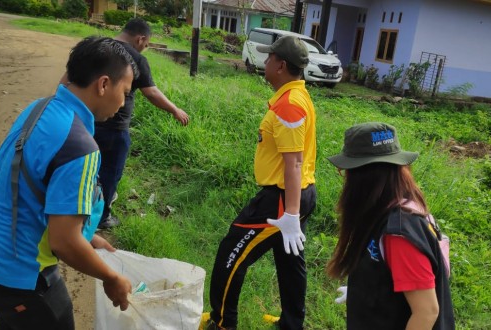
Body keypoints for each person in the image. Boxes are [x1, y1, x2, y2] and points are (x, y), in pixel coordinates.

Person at [0, 36, 137, 330]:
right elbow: (64, 242)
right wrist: (111, 278)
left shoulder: (39, 108)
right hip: (12, 275)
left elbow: (29, 188)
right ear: (103, 84)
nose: (124, 102)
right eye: (126, 92)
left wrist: (88, 237)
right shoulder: (80, 147)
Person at [203, 36, 317, 330]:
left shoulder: (290, 105)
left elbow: (293, 162)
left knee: (232, 254)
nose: (265, 63)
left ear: (280, 65)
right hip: (298, 193)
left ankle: (222, 323)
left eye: (269, 59)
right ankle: (292, 324)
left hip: (282, 198)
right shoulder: (297, 96)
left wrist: (290, 215)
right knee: (290, 261)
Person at [326, 122, 454, 329]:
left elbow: (427, 312)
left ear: (364, 176)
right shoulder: (386, 212)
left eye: (346, 171)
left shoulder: (399, 233)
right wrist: (364, 291)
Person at [93, 18, 189, 229]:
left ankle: (80, 208)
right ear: (140, 38)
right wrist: (175, 109)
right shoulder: (136, 59)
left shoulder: (98, 46)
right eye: (146, 45)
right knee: (110, 172)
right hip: (115, 128)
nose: (144, 49)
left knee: (88, 168)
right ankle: (101, 217)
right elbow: (151, 92)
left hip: (87, 121)